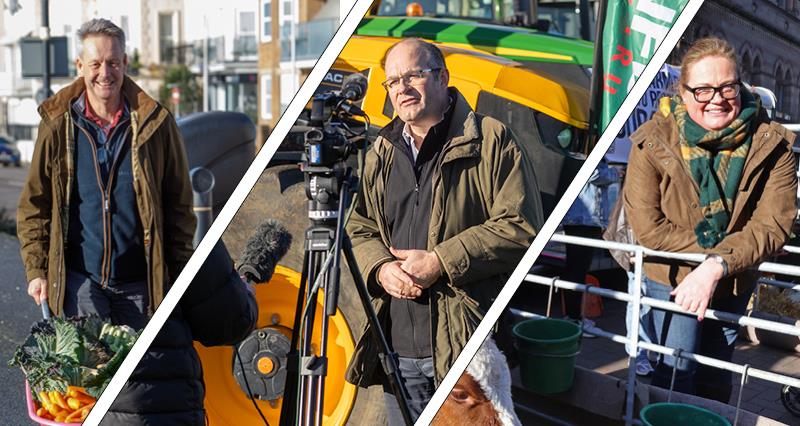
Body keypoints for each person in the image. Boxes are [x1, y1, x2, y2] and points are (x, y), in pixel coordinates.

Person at [344, 38, 543, 424]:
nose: (401, 88)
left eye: (413, 75)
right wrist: (381, 268)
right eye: (392, 81)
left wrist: (440, 261)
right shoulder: (380, 151)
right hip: (396, 346)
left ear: (442, 77)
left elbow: (522, 227)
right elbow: (359, 226)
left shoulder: (492, 140)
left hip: (460, 350)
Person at [623, 37, 797, 402]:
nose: (716, 99)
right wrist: (717, 255)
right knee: (676, 372)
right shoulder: (653, 141)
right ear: (684, 93)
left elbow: (774, 224)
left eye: (726, 87)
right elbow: (648, 228)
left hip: (733, 280)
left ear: (741, 86)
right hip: (671, 276)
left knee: (717, 375)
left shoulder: (773, 145)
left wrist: (716, 266)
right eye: (702, 90)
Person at [17, 19, 195, 329]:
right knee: (88, 374)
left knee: (141, 375)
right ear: (80, 65)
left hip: (141, 288)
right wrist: (37, 270)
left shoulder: (157, 124)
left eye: (113, 62)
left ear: (125, 63)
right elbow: (35, 204)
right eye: (96, 63)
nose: (104, 73)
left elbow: (179, 206)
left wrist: (180, 274)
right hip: (80, 286)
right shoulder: (57, 125)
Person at [560, 157, 622, 338]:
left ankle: (573, 317)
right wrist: (615, 173)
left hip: (581, 218)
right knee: (577, 270)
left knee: (575, 269)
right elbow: (593, 173)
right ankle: (574, 319)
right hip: (583, 219)